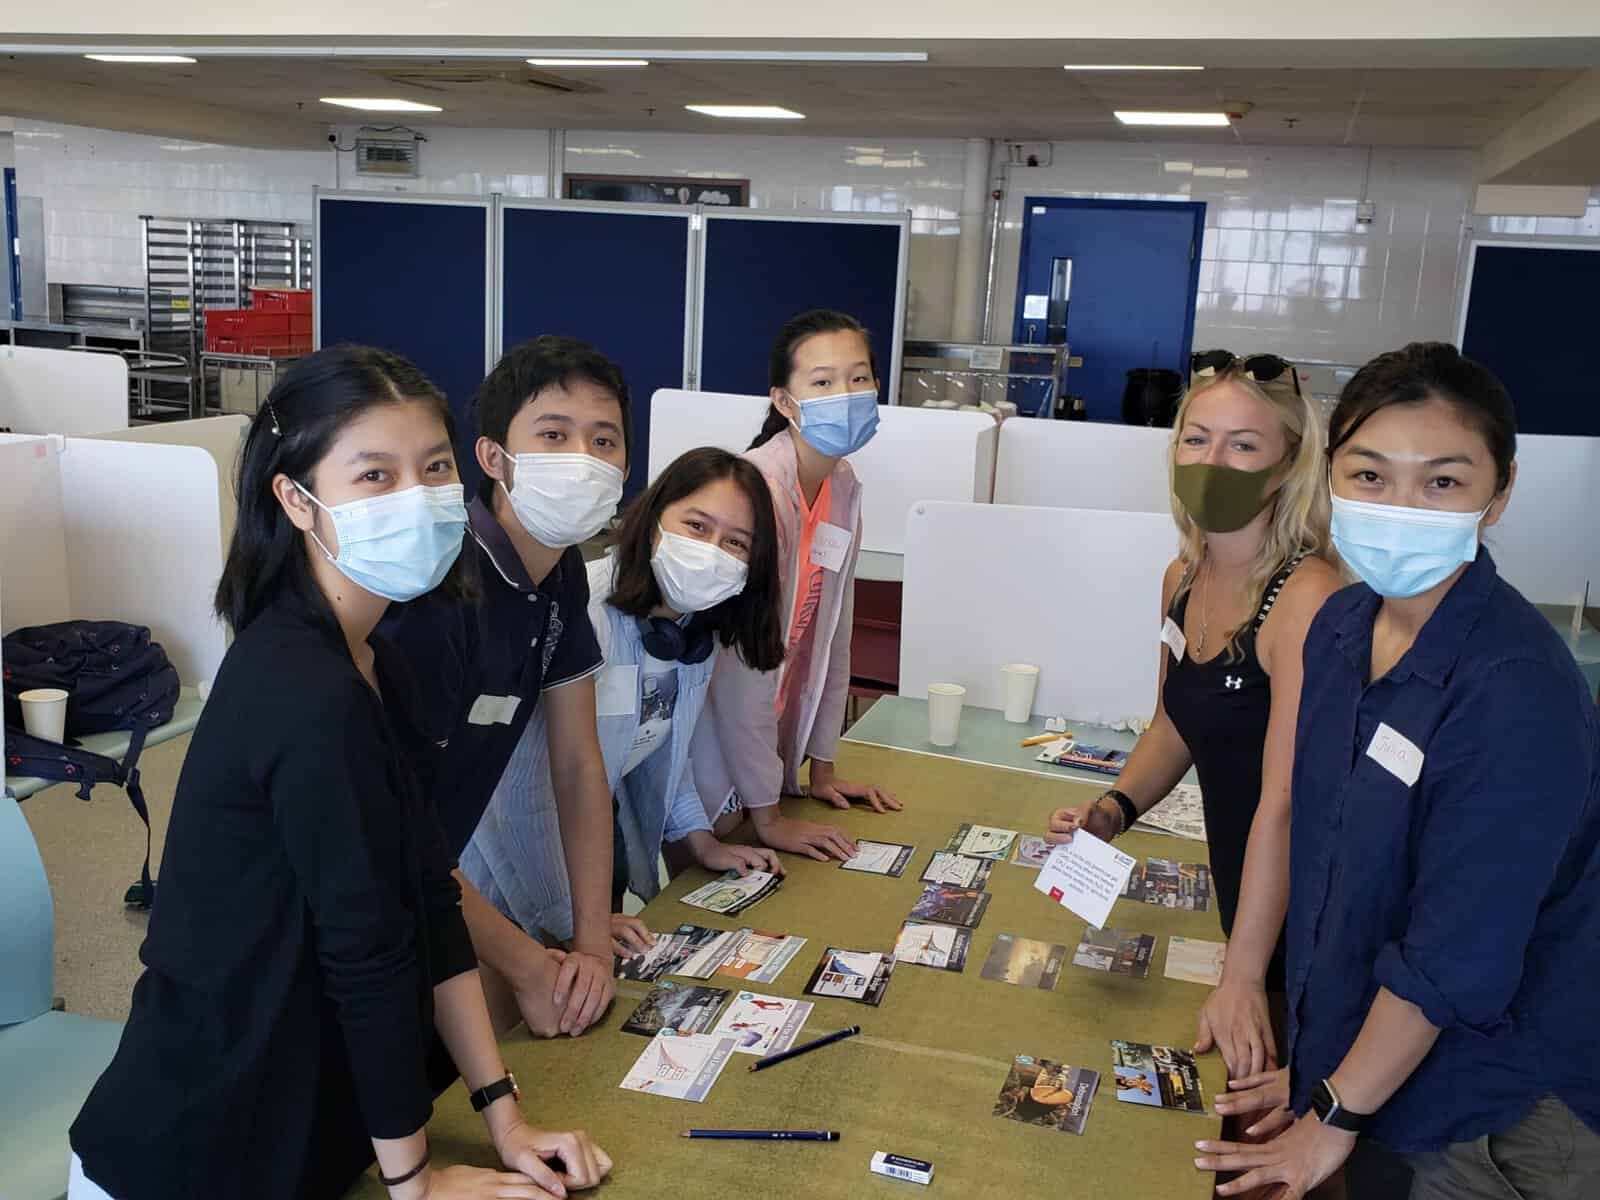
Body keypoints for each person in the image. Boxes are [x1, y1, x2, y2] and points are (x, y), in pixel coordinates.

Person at [68, 347, 610, 1200]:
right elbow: (368, 952)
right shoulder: (301, 686)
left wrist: (503, 1115)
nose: (416, 496)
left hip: (311, 1117)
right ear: (296, 500)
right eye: (375, 475)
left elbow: (428, 896)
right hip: (195, 1149)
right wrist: (418, 1185)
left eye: (434, 468)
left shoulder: (373, 663)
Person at [1195, 343, 1600, 1199]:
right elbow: (1322, 843)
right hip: (1377, 1070)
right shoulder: (1341, 627)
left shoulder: (1516, 687)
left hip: (1494, 1108)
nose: (1400, 508)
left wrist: (1336, 1109)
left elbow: (1456, 952)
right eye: (1370, 475)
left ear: (1499, 493)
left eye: (1442, 481)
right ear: (1329, 476)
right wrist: (1323, 1067)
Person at [1044, 351, 1341, 1080]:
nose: (1212, 461)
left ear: (1288, 464)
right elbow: (1174, 723)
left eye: (1243, 445)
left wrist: (1243, 971)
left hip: (1305, 909)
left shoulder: (1308, 596)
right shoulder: (1181, 578)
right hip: (1242, 891)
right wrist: (1112, 809)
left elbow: (1286, 802)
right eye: (1197, 439)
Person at [383, 336, 629, 1040]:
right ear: (493, 458)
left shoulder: (561, 572)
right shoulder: (441, 585)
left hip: (437, 880)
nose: (582, 457)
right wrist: (527, 965)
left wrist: (592, 943)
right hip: (383, 882)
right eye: (553, 435)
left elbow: (578, 763)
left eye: (603, 440)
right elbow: (394, 824)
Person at [461, 446, 787, 945]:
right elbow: (516, 792)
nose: (711, 551)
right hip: (504, 875)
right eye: (696, 526)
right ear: (653, 520)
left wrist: (700, 840)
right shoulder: (587, 614)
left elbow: (664, 751)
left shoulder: (691, 633)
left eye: (735, 542)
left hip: (584, 864)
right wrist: (574, 917)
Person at [690, 309, 904, 863]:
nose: (846, 395)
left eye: (859, 378)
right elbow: (740, 669)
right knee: (708, 874)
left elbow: (832, 636)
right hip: (716, 742)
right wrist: (769, 818)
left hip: (774, 741)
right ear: (784, 402)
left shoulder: (841, 483)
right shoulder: (754, 491)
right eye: (823, 382)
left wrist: (822, 769)